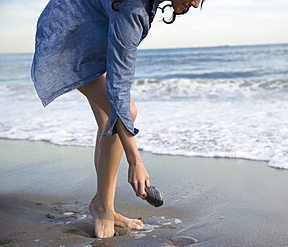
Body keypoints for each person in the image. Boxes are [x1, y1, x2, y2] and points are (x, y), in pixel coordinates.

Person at [31, 0, 204, 238]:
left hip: (84, 25)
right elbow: (118, 88)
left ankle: (104, 207)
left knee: (108, 122)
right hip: (67, 34)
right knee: (125, 112)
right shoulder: (132, 8)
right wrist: (136, 161)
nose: (196, 4)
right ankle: (103, 208)